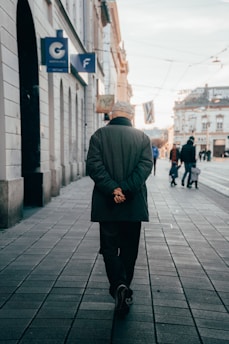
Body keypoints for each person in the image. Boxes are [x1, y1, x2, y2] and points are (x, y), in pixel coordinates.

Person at [86, 101, 153, 316]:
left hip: (107, 204)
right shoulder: (142, 138)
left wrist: (113, 190)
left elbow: (94, 166)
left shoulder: (99, 135)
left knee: (109, 248)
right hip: (133, 204)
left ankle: (118, 285)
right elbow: (144, 168)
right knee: (129, 249)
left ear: (112, 115)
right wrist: (125, 189)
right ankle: (124, 286)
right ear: (131, 117)